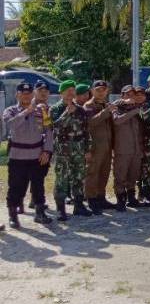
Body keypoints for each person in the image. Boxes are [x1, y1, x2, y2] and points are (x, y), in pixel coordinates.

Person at [4, 83, 54, 228]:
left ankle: (39, 213)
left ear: (32, 94)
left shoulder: (43, 110)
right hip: (18, 156)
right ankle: (13, 215)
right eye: (23, 93)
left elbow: (49, 131)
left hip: (37, 155)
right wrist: (27, 111)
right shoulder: (10, 110)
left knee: (38, 186)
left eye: (28, 93)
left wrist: (47, 151)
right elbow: (10, 126)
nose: (26, 95)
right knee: (15, 187)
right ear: (17, 95)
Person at [51, 80, 93, 220]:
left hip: (79, 149)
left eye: (72, 90)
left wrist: (87, 149)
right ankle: (61, 209)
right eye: (67, 90)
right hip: (63, 150)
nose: (70, 93)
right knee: (62, 179)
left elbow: (86, 131)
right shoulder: (55, 109)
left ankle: (79, 205)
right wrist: (67, 114)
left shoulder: (81, 109)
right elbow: (54, 128)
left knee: (79, 177)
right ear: (61, 93)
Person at [83, 80, 116, 214]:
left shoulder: (106, 105)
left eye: (103, 89)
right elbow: (91, 122)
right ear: (92, 91)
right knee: (92, 173)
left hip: (107, 145)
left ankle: (101, 197)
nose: (101, 92)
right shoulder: (88, 106)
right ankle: (91, 200)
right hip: (95, 146)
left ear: (107, 91)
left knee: (104, 172)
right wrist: (106, 111)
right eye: (98, 90)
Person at [112, 85, 146, 211]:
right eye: (127, 94)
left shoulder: (139, 109)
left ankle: (132, 198)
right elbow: (116, 121)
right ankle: (120, 199)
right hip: (123, 149)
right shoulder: (117, 108)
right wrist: (132, 112)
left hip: (137, 149)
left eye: (133, 95)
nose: (130, 97)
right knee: (120, 176)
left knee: (133, 175)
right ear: (122, 96)